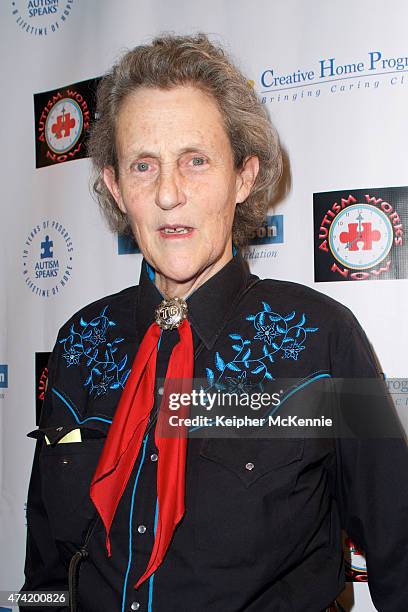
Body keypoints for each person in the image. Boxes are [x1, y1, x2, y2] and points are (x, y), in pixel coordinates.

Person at [21, 33, 407, 612]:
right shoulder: (78, 343)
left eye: (195, 161)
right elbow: (44, 569)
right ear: (115, 187)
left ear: (243, 177)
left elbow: (399, 547)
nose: (169, 194)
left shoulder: (324, 338)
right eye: (143, 165)